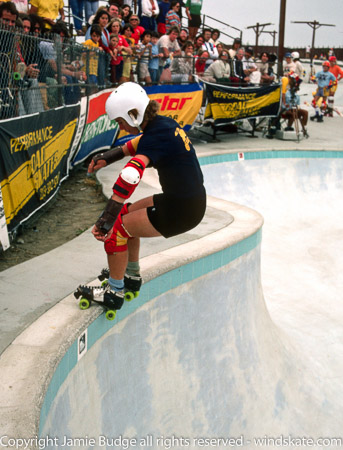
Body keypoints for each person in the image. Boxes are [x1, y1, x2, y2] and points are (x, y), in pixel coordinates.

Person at [77, 82, 206, 312]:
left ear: (133, 115)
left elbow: (130, 175)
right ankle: (131, 276)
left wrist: (105, 220)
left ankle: (114, 292)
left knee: (115, 230)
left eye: (120, 122)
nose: (121, 127)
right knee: (127, 215)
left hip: (181, 210)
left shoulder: (154, 136)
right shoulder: (162, 124)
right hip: (186, 201)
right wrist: (108, 157)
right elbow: (137, 144)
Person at [82, 23, 102, 90]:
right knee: (91, 87)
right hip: (88, 69)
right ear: (91, 35)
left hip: (94, 69)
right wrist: (95, 51)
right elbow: (84, 54)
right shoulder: (88, 42)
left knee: (94, 86)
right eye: (94, 36)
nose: (96, 38)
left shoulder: (97, 43)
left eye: (98, 36)